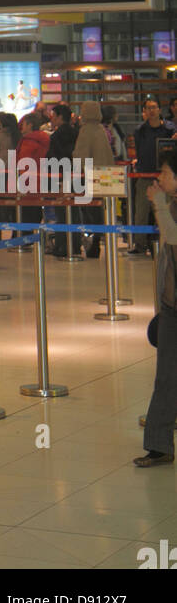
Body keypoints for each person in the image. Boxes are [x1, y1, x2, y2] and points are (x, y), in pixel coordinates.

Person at [135, 148, 177, 467]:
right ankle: (159, 444)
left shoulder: (168, 207)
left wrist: (159, 205)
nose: (159, 178)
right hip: (171, 306)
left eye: (164, 173)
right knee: (165, 375)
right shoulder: (170, 204)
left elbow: (174, 237)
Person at [74, 101, 115, 260]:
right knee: (101, 211)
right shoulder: (101, 130)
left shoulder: (86, 131)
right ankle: (100, 238)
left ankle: (93, 243)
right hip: (104, 176)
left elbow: (81, 156)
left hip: (89, 178)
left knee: (89, 212)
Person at [133, 100, 174, 255]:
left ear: (159, 109)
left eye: (154, 108)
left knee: (165, 210)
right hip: (144, 176)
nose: (151, 111)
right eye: (148, 108)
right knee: (141, 213)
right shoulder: (140, 130)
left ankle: (167, 243)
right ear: (144, 110)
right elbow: (139, 151)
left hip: (164, 178)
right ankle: (140, 245)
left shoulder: (169, 129)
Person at [48, 104, 80, 258]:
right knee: (74, 212)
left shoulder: (56, 137)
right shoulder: (77, 133)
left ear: (60, 117)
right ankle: (75, 245)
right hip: (76, 176)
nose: (51, 119)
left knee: (62, 213)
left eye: (53, 116)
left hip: (61, 178)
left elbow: (54, 160)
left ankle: (62, 246)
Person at [16, 110, 51, 230]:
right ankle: (33, 240)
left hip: (28, 183)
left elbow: (23, 163)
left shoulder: (29, 141)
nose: (21, 127)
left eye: (24, 124)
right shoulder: (44, 139)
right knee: (36, 212)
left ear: (30, 125)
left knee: (26, 214)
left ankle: (25, 241)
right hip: (41, 180)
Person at [0, 111, 19, 229]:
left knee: (2, 203)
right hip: (16, 173)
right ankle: (15, 229)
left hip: (2, 172)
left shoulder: (0, 136)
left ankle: (2, 227)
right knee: (15, 203)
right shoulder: (18, 135)